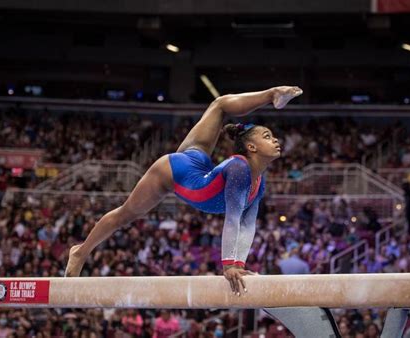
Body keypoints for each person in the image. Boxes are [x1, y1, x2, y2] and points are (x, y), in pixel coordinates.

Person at [65, 86, 303, 294]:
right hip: (172, 172)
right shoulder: (239, 168)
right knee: (126, 214)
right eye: (267, 136)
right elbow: (232, 220)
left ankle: (273, 94)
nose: (275, 140)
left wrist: (239, 265)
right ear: (251, 146)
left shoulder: (258, 180)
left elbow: (248, 224)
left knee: (219, 105)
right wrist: (229, 265)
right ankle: (81, 252)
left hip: (197, 164)